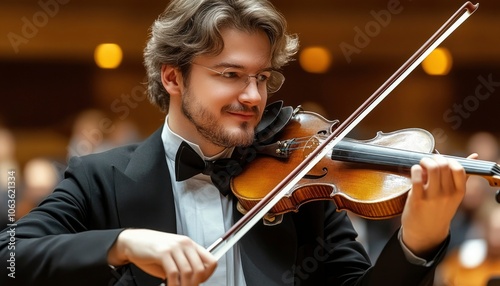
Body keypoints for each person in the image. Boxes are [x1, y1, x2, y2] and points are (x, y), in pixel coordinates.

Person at [0, 0, 475, 285]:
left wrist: (419, 239)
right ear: (173, 77)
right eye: (230, 75)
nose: (253, 96)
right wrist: (124, 243)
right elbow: (12, 259)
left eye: (262, 77)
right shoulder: (100, 179)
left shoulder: (297, 189)